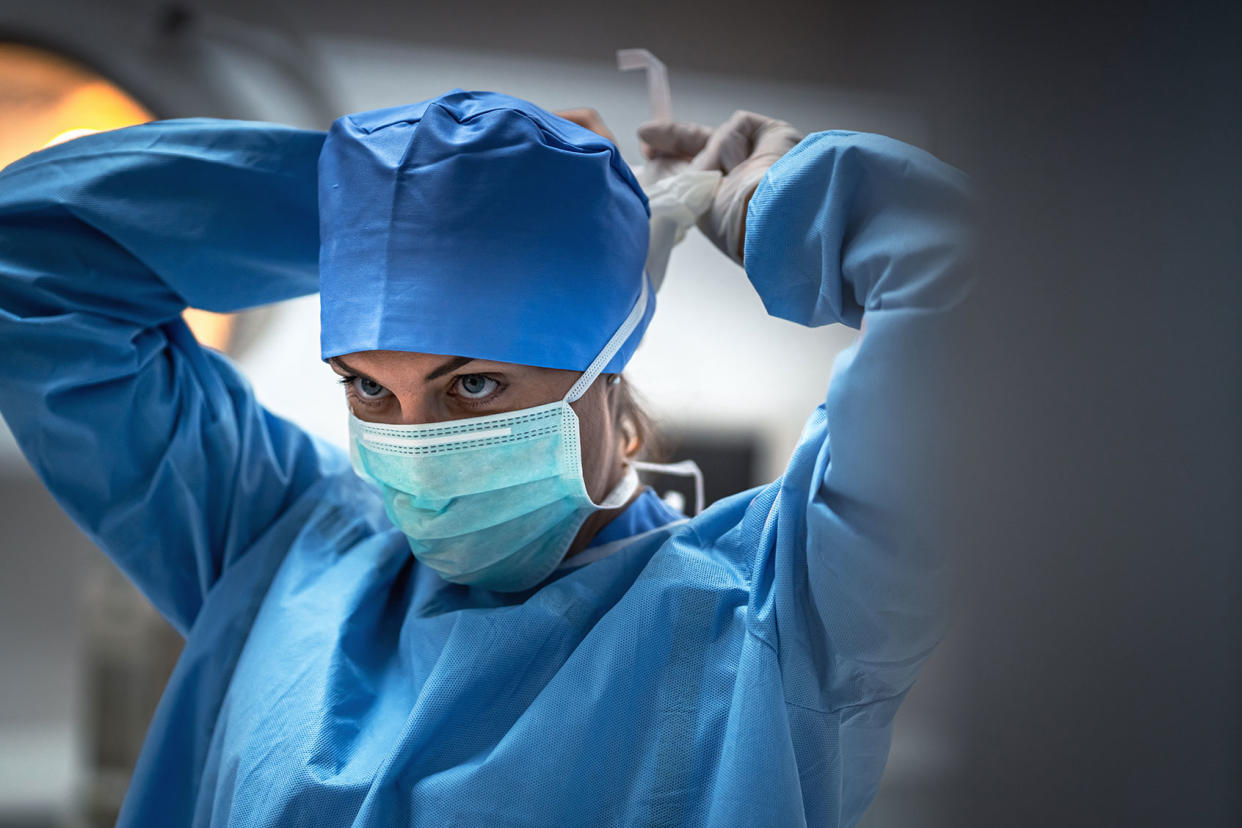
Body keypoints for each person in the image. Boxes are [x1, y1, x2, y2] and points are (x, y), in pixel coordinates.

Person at [0, 90, 971, 826]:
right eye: (369, 388)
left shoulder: (783, 612)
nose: (415, 444)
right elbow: (26, 256)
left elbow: (994, 309)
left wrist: (780, 204)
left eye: (472, 386)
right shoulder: (282, 543)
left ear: (606, 370)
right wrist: (391, 203)